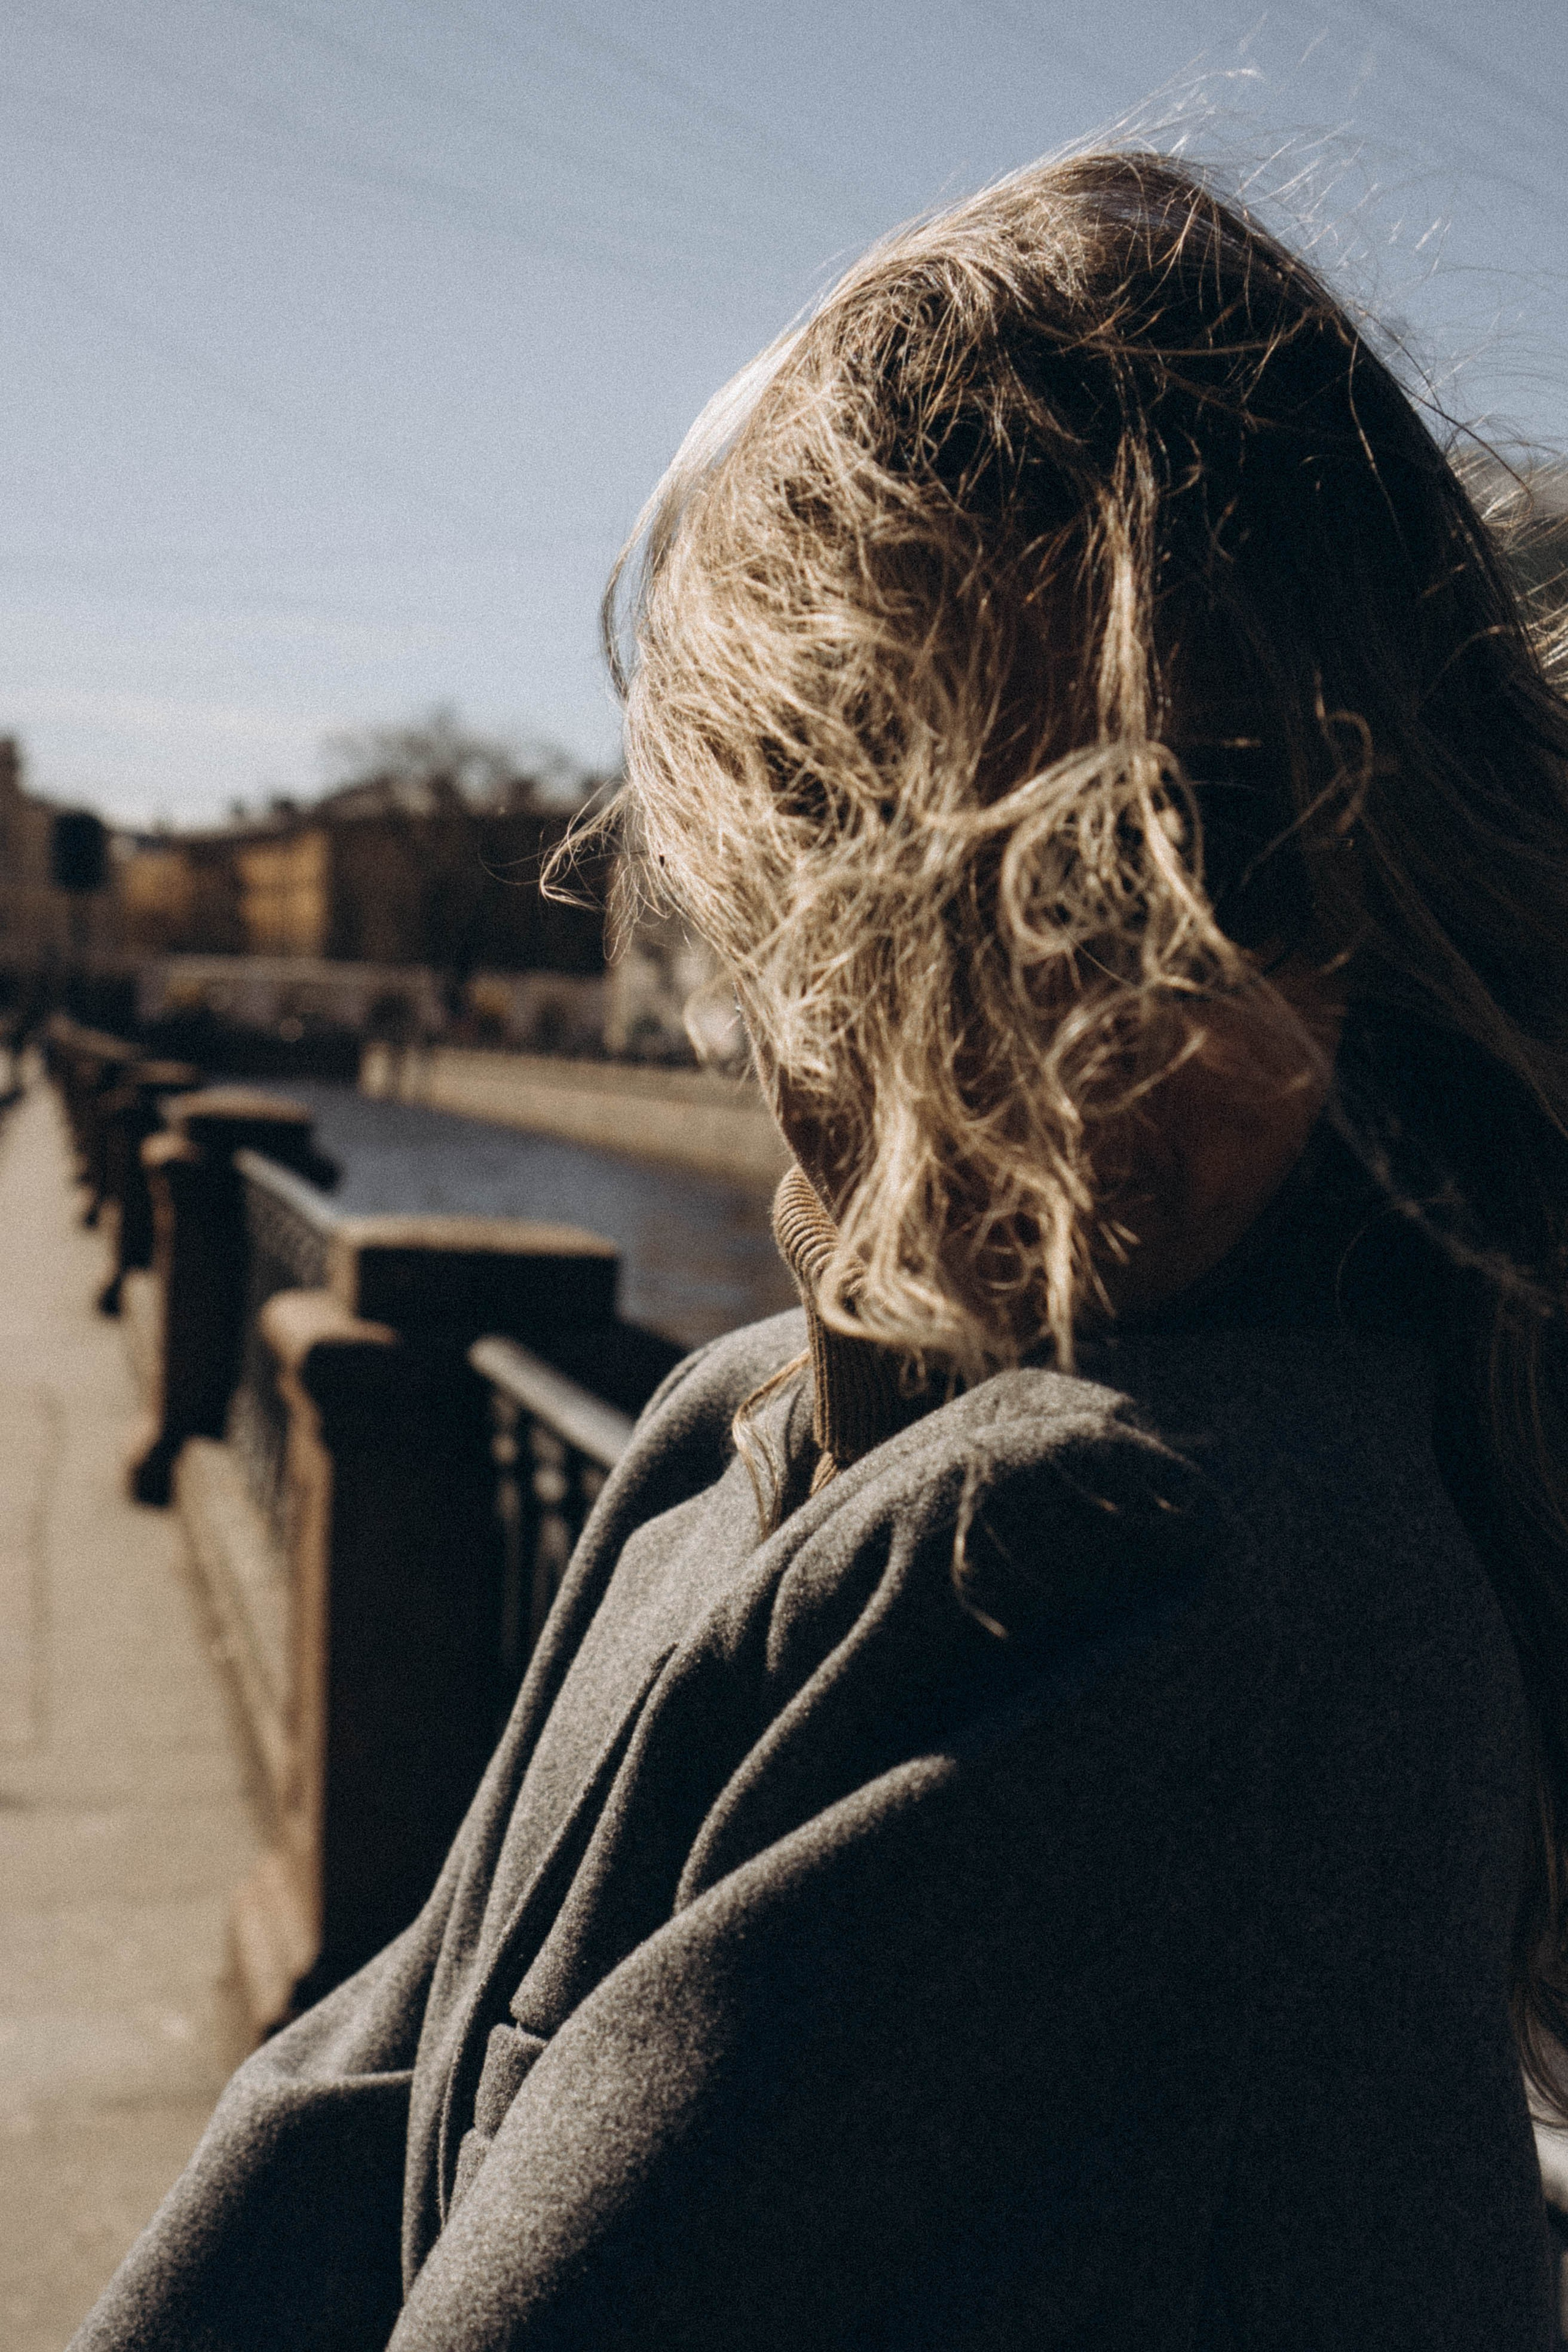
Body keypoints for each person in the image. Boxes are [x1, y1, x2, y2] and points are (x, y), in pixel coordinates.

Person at [73, 151, 1568, 2350]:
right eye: (1007, 871)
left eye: (1224, 852)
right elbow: (350, 2099)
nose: (1142, 991)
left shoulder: (1136, 1573)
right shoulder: (738, 1431)